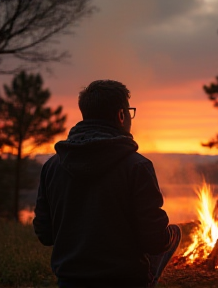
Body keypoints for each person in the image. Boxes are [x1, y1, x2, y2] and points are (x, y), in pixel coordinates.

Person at [33, 80, 181, 288]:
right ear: (121, 115)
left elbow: (45, 234)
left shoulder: (52, 167)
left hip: (70, 281)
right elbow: (155, 241)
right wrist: (168, 236)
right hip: (126, 280)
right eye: (129, 112)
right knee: (175, 232)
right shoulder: (137, 166)